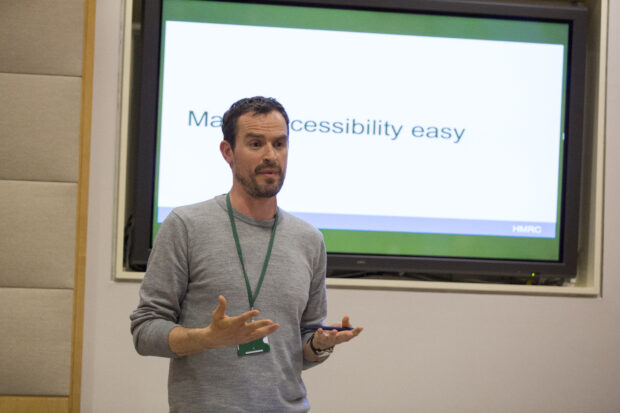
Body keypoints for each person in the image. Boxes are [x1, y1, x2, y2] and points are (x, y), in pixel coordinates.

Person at [130, 96, 363, 412]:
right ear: (228, 152)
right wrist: (208, 337)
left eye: (279, 144)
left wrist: (319, 345)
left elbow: (302, 346)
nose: (271, 155)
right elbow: (145, 331)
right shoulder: (186, 226)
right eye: (256, 144)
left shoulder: (309, 239)